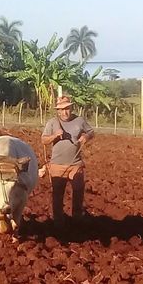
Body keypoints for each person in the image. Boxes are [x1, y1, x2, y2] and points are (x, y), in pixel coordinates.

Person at [41, 96, 94, 228]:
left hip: (75, 163)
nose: (65, 112)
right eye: (62, 109)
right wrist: (54, 135)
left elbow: (91, 132)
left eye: (67, 109)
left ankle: (77, 217)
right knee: (58, 194)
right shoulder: (52, 123)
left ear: (71, 108)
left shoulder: (79, 120)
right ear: (58, 111)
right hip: (57, 165)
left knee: (78, 189)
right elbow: (44, 140)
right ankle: (58, 221)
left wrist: (86, 136)